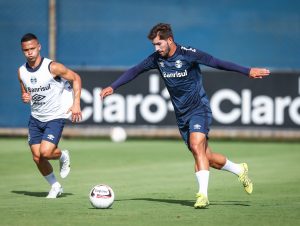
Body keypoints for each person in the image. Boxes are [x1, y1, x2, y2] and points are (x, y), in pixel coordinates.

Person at [100, 23, 270, 208]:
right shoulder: (157, 59)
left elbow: (217, 62)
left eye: (159, 44)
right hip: (182, 116)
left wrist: (247, 71)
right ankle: (239, 169)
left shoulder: (189, 53)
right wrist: (112, 86)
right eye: (154, 45)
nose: (156, 49)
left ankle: (203, 195)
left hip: (199, 108)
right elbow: (135, 70)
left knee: (197, 147)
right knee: (207, 157)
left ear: (169, 40)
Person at [18, 33, 82, 198]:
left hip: (55, 116)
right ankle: (55, 186)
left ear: (39, 47)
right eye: (26, 50)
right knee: (37, 157)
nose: (29, 52)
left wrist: (76, 104)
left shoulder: (52, 67)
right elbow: (25, 91)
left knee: (46, 152)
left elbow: (76, 78)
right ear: (22, 51)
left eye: (32, 48)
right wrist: (24, 96)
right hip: (35, 118)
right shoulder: (21, 71)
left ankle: (62, 154)